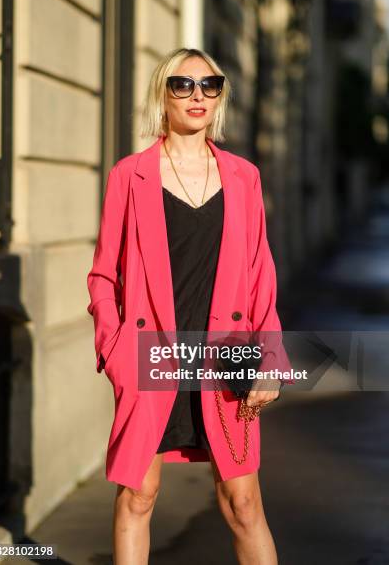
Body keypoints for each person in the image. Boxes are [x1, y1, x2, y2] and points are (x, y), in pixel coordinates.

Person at [86, 47, 291, 564]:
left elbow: (260, 275)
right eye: (183, 85)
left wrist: (270, 360)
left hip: (228, 355)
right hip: (150, 355)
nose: (197, 96)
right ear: (164, 94)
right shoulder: (129, 177)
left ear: (220, 96)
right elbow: (103, 275)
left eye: (210, 85)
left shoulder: (244, 177)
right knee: (139, 496)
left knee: (243, 504)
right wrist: (116, 354)